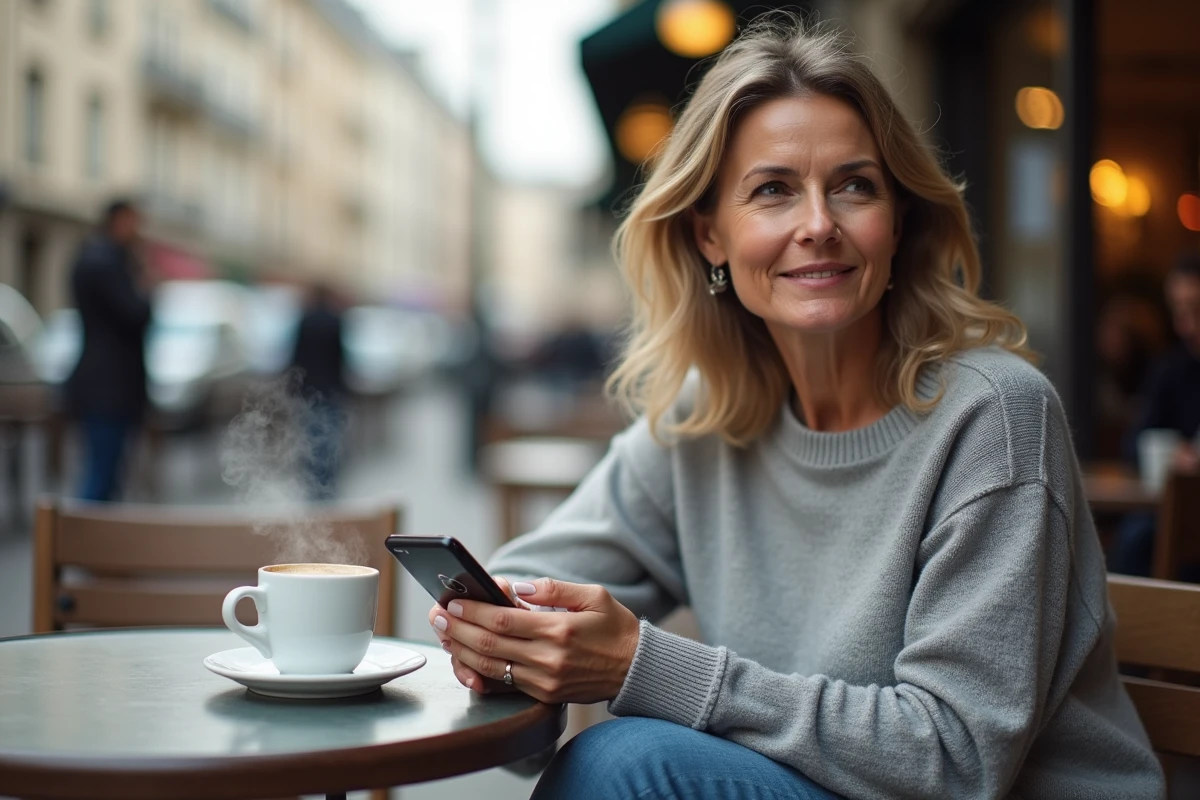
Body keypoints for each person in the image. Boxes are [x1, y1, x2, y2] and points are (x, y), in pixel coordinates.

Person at [427, 18, 1165, 799]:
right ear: (710, 234)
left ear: (898, 221)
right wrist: (500, 631)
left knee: (622, 764)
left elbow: (956, 758)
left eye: (854, 185)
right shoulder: (706, 418)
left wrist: (643, 665)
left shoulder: (993, 418)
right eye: (774, 189)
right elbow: (532, 577)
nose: (819, 224)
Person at [1108, 252, 1200, 576]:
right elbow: (1134, 443)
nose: (1185, 324)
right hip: (1176, 512)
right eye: (1179, 310)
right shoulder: (1171, 371)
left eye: (1195, 310)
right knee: (1135, 540)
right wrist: (1173, 453)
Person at [65, 198, 152, 502]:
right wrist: (143, 282)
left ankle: (91, 542)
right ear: (120, 220)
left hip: (103, 384)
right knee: (101, 476)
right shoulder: (107, 262)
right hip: (109, 387)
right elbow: (135, 314)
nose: (139, 229)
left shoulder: (94, 257)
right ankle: (81, 544)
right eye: (134, 221)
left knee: (105, 474)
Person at [289, 283, 346, 500]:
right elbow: (340, 360)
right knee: (329, 438)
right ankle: (327, 482)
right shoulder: (335, 320)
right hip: (330, 390)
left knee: (311, 437)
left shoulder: (305, 320)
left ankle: (313, 482)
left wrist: (293, 388)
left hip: (309, 391)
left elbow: (296, 358)